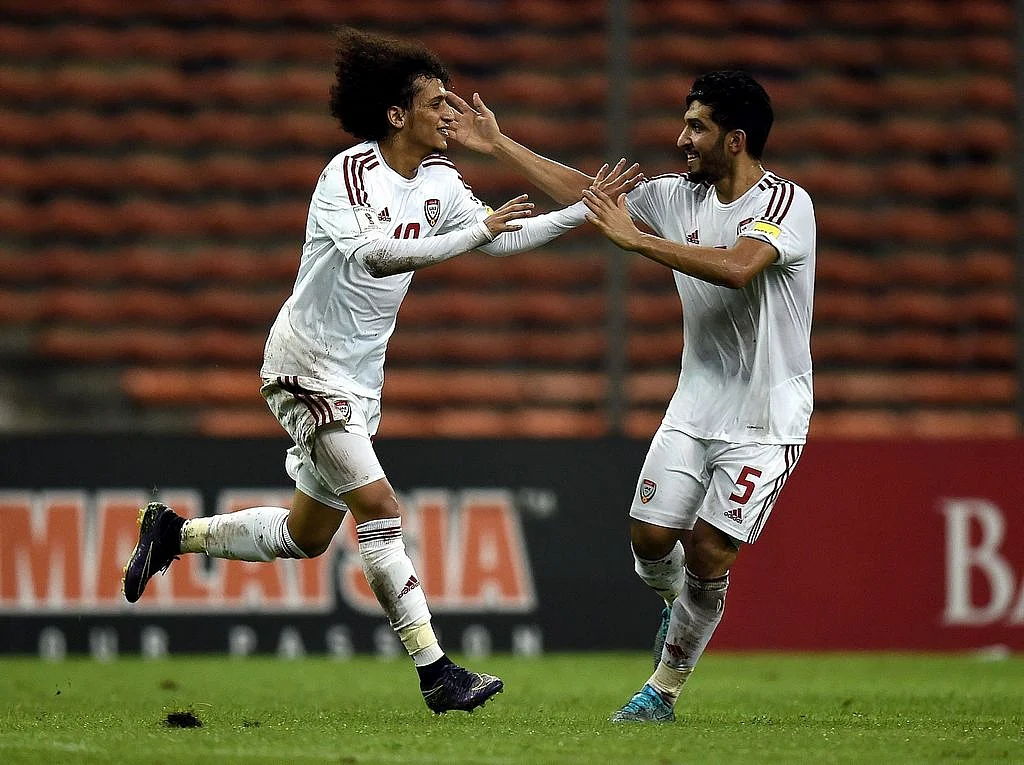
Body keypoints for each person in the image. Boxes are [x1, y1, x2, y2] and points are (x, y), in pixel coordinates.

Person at [122, 26, 640, 715]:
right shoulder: (348, 174)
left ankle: (172, 533)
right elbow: (374, 257)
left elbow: (500, 238)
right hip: (305, 367)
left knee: (307, 537)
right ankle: (437, 672)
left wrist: (584, 212)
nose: (450, 113)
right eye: (436, 102)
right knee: (381, 509)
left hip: (361, 380)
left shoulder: (441, 183)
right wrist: (473, 234)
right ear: (397, 115)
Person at [447, 70, 815, 722]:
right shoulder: (679, 196)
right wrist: (500, 145)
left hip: (767, 416)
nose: (682, 138)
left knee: (709, 549)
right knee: (649, 539)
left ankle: (661, 691)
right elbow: (593, 197)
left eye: (697, 127)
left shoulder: (785, 203)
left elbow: (739, 268)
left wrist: (637, 240)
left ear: (735, 139)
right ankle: (677, 607)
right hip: (696, 403)